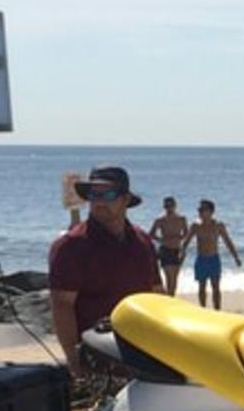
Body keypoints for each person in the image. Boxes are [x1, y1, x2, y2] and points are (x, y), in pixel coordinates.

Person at [48, 165, 162, 386]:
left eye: (108, 194)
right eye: (93, 194)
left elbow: (157, 295)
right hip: (98, 364)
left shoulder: (142, 242)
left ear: (125, 199)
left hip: (144, 357)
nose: (99, 201)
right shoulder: (71, 246)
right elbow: (62, 306)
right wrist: (74, 362)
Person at [185, 200, 243, 309]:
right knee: (202, 287)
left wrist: (236, 257)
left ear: (211, 212)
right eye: (199, 210)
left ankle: (217, 310)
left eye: (203, 210)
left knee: (215, 287)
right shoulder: (195, 226)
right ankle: (203, 309)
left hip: (214, 259)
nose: (200, 212)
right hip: (201, 259)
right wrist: (180, 254)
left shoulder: (218, 226)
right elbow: (186, 242)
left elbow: (228, 242)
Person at [149, 197, 190, 295]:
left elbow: (187, 233)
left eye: (171, 206)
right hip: (165, 250)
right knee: (169, 279)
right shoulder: (160, 220)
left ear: (175, 206)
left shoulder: (182, 219)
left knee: (174, 282)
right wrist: (162, 239)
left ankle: (171, 300)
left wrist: (179, 238)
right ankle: (168, 301)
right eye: (167, 206)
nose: (169, 208)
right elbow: (151, 234)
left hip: (177, 250)